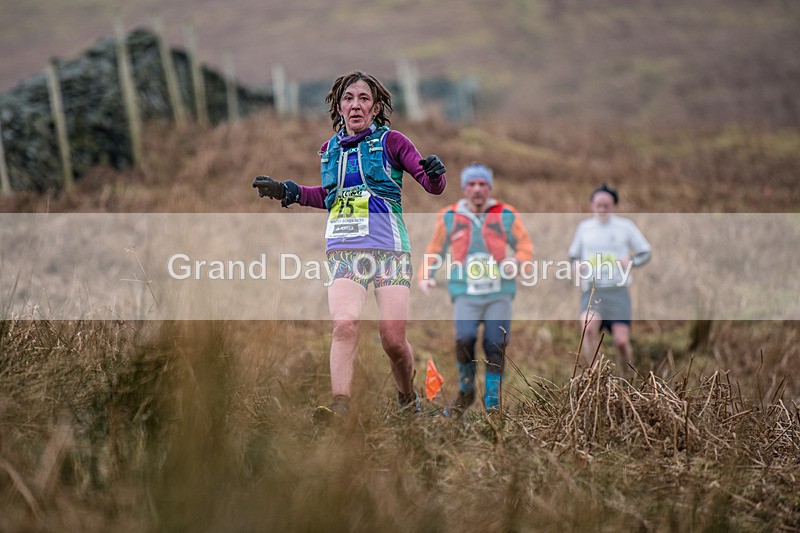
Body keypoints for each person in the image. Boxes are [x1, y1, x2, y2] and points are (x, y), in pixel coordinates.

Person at [252, 70, 446, 419]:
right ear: (338, 106)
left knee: (393, 341)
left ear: (375, 107)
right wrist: (288, 191)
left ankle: (408, 401)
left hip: (389, 249)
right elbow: (329, 197)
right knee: (344, 324)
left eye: (363, 99)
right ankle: (341, 404)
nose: (355, 105)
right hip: (344, 249)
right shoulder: (329, 151)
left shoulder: (392, 142)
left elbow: (432, 184)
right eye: (348, 99)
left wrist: (434, 172)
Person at [418, 164, 533, 414]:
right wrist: (426, 274)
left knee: (495, 343)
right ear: (464, 189)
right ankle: (466, 391)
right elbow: (435, 249)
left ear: (489, 188)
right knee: (464, 339)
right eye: (472, 184)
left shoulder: (506, 214)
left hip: (499, 291)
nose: (477, 189)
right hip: (465, 291)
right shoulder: (449, 216)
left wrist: (518, 261)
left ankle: (492, 402)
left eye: (482, 184)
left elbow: (524, 246)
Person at [568, 183, 651, 379]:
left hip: (618, 290)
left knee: (621, 341)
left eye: (607, 206)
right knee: (588, 330)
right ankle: (596, 379)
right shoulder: (584, 228)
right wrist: (577, 265)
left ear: (613, 206)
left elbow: (645, 253)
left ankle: (627, 378)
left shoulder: (625, 227)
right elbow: (573, 256)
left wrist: (631, 261)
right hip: (592, 289)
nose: (602, 209)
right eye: (599, 205)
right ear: (592, 205)